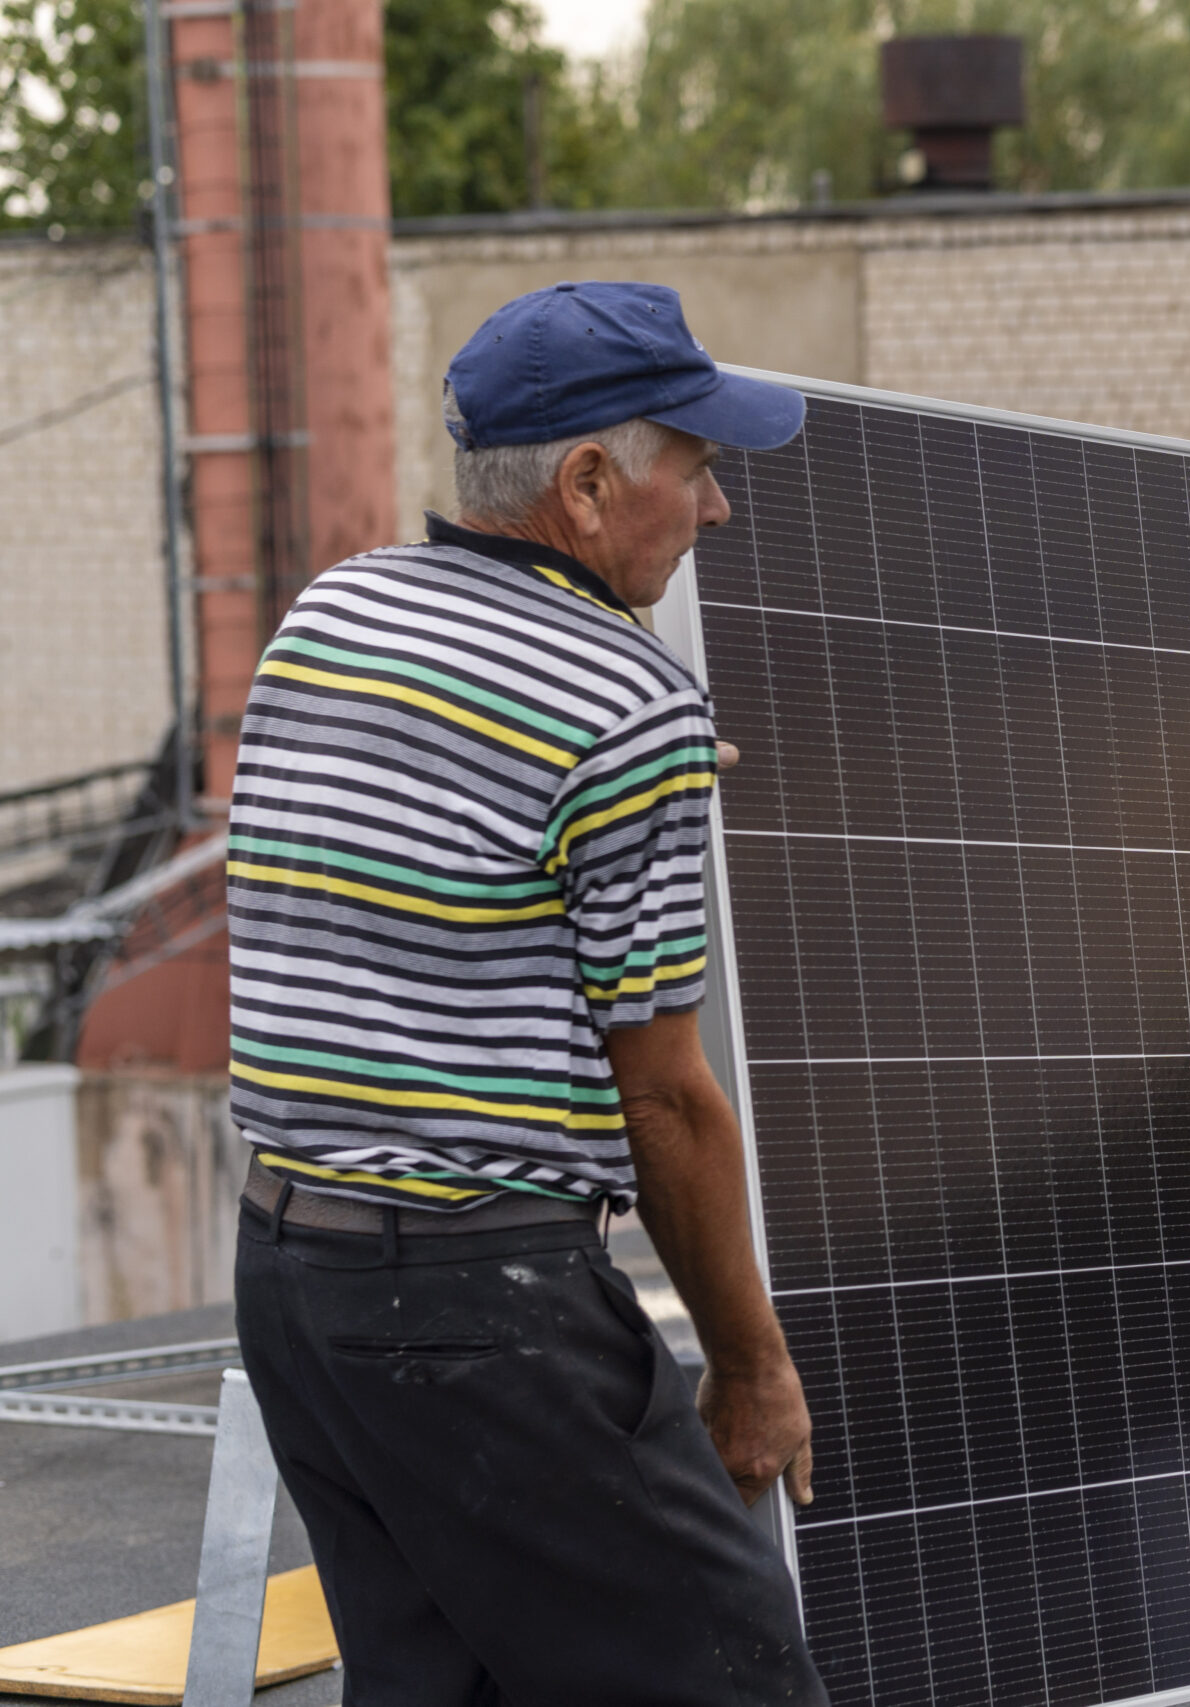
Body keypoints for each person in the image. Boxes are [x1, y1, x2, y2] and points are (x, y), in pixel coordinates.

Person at [227, 281, 828, 1704]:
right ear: (586, 481)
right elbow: (670, 1101)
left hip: (291, 1282)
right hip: (474, 1310)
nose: (717, 510)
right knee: (734, 1681)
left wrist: (640, 796)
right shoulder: (628, 709)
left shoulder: (335, 611)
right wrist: (750, 1369)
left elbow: (424, 831)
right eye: (698, 468)